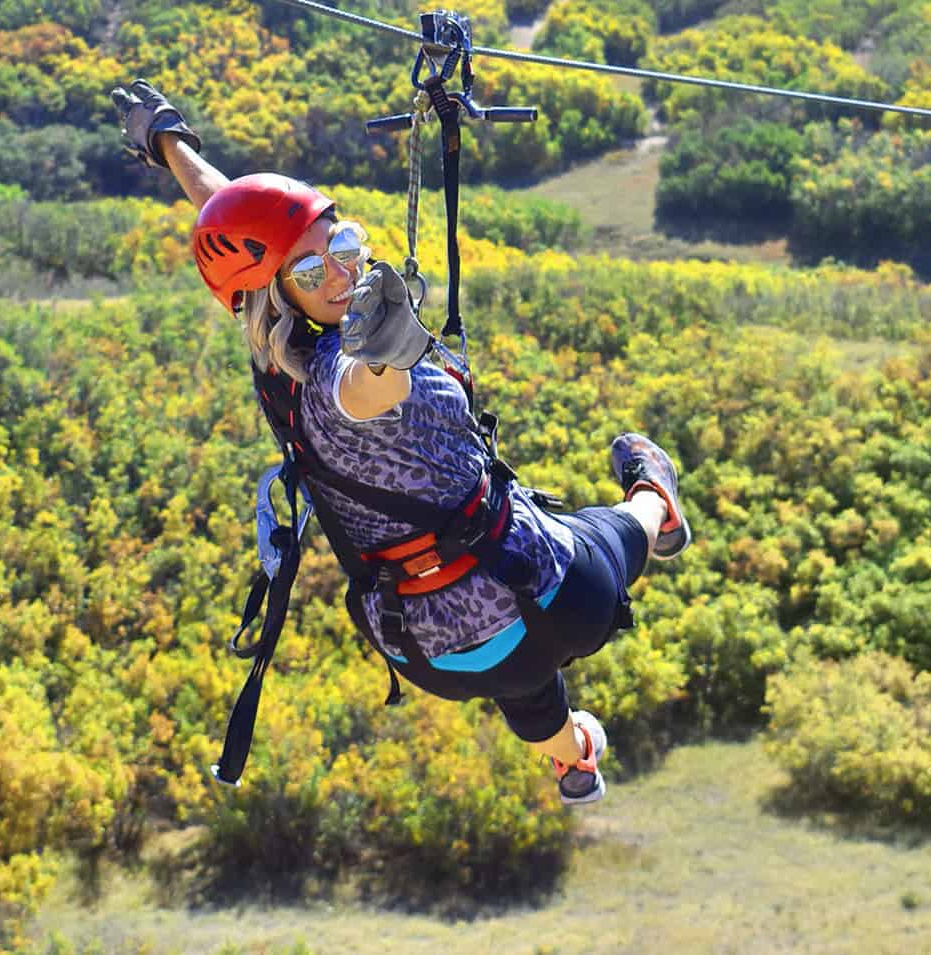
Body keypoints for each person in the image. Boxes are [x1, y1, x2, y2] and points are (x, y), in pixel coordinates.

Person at [112, 79, 692, 805]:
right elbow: (360, 390)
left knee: (526, 679)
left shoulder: (270, 343)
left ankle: (573, 758)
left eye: (344, 245)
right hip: (558, 594)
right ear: (277, 291)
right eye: (315, 270)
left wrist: (169, 141)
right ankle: (658, 503)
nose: (343, 271)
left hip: (430, 651)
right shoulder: (334, 376)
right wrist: (384, 352)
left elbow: (232, 215)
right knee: (606, 533)